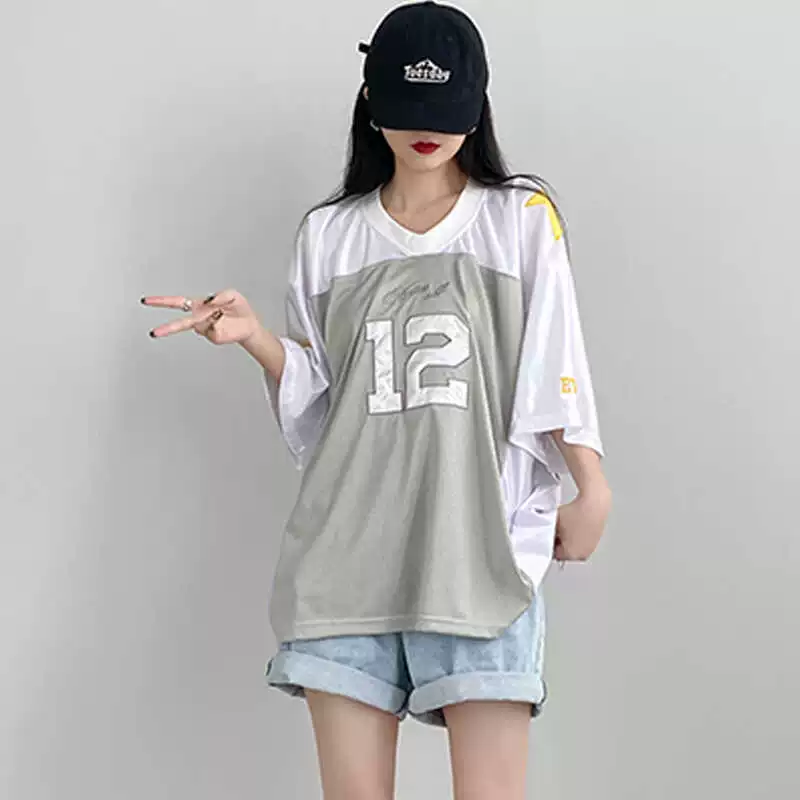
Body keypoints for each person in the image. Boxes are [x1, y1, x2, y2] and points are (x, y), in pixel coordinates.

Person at [142, 2, 611, 798]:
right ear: (371, 101)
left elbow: (553, 358)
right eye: (408, 107)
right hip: (348, 561)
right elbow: (325, 411)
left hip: (480, 553)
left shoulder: (519, 218)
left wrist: (589, 482)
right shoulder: (330, 235)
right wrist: (258, 339)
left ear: (478, 105)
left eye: (445, 109)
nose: (426, 131)